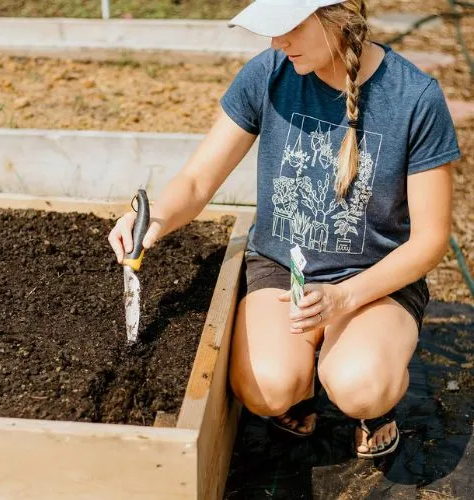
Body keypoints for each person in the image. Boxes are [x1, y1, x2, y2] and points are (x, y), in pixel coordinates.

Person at [109, 0, 460, 459]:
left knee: (360, 384)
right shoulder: (269, 74)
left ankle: (371, 406)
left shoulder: (413, 98)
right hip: (283, 269)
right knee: (267, 389)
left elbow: (430, 241)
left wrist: (345, 297)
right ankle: (304, 386)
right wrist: (151, 217)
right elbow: (196, 182)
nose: (276, 42)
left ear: (335, 17)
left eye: (288, 27)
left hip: (375, 282)